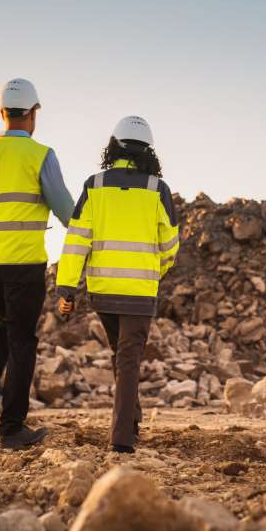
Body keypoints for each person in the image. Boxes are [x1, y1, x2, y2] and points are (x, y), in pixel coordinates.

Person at [0, 78, 74, 449]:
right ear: (33, 114)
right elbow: (65, 212)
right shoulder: (41, 155)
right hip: (23, 260)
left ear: (1, 113)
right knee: (23, 339)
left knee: (8, 323)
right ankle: (12, 428)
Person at [56, 116, 179, 453]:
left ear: (113, 147)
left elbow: (77, 240)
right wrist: (155, 271)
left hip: (104, 292)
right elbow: (170, 246)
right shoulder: (158, 190)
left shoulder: (94, 185)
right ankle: (122, 440)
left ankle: (132, 422)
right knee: (127, 362)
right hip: (140, 293)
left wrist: (66, 288)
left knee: (121, 357)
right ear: (148, 152)